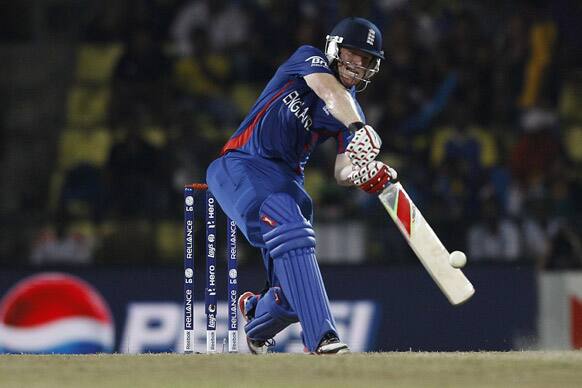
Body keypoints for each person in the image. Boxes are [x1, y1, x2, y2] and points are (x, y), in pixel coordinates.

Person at [206, 17, 397, 354]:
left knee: (292, 296)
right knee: (287, 217)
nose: (358, 64)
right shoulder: (310, 60)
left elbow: (343, 171)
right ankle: (322, 338)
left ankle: (255, 316)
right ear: (335, 49)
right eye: (353, 54)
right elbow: (327, 91)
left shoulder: (353, 113)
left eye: (366, 59)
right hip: (241, 164)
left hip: (287, 181)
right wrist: (357, 125)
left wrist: (364, 174)